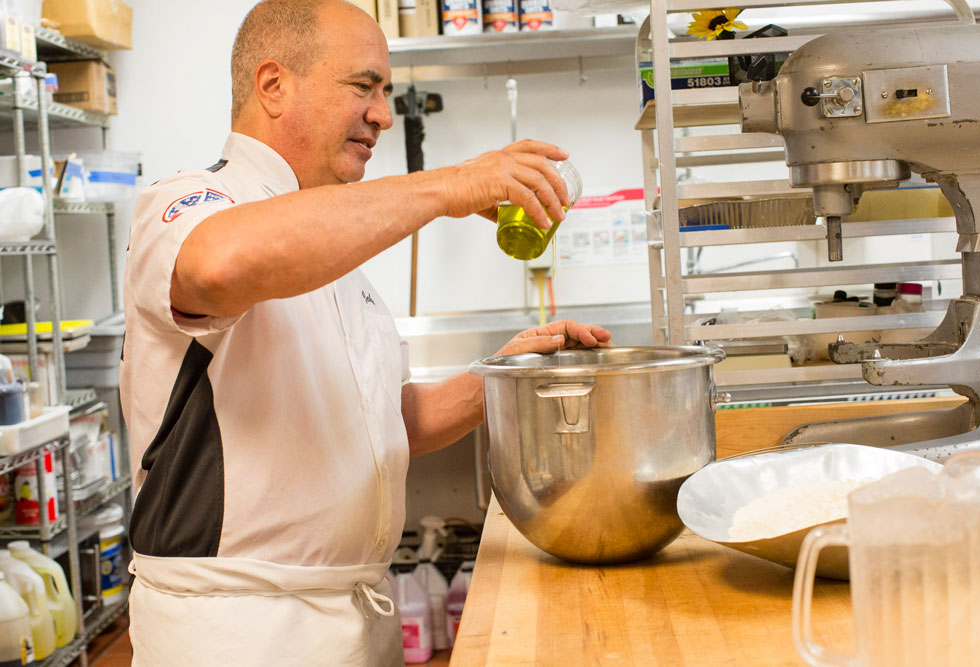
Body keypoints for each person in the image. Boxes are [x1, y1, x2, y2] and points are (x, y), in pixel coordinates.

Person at [120, 0, 612, 664]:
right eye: (364, 86)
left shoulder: (340, 266)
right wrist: (450, 185)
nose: (382, 113)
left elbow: (386, 425)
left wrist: (503, 374)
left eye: (385, 91)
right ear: (273, 85)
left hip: (353, 612)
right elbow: (217, 264)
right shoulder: (191, 204)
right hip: (238, 628)